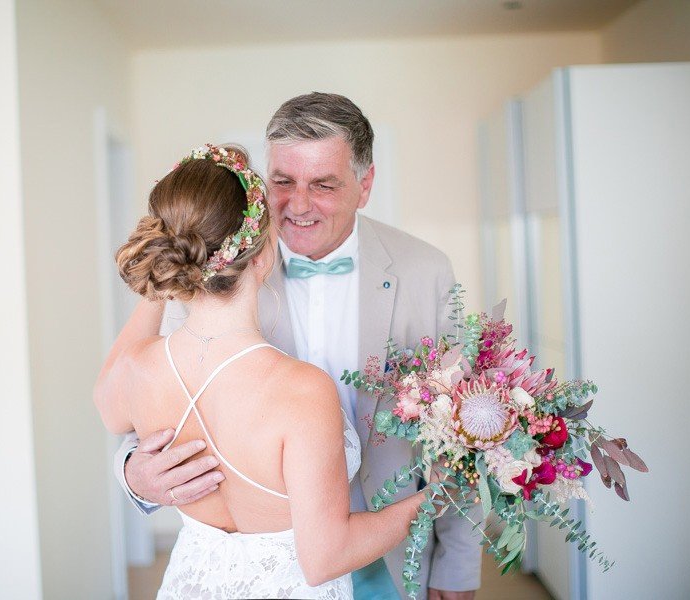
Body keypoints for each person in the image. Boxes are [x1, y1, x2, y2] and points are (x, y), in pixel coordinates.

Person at [112, 93, 483, 600]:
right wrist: (134, 474)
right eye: (283, 182)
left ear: (365, 184)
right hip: (269, 553)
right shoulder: (205, 271)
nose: (299, 204)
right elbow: (160, 399)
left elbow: (469, 429)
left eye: (324, 185)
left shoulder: (427, 270)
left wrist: (457, 566)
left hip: (393, 555)